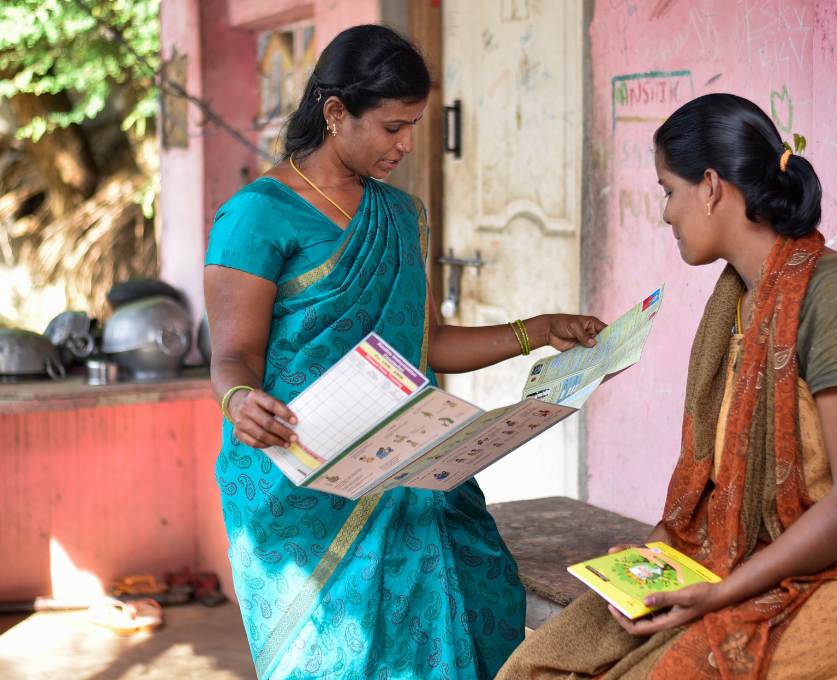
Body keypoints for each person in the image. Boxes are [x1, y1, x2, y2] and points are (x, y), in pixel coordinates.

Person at [497, 93, 837, 679]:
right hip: (742, 558)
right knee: (542, 663)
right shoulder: (737, 303)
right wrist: (652, 559)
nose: (665, 213)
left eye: (669, 190)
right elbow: (717, 483)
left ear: (711, 186)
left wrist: (722, 593)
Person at [203, 25, 605, 680]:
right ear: (336, 113)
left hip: (409, 472)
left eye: (413, 125)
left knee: (470, 616)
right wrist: (238, 399)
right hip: (300, 485)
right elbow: (232, 355)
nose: (407, 144)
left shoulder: (400, 214)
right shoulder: (257, 217)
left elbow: (426, 346)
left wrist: (537, 329)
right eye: (393, 127)